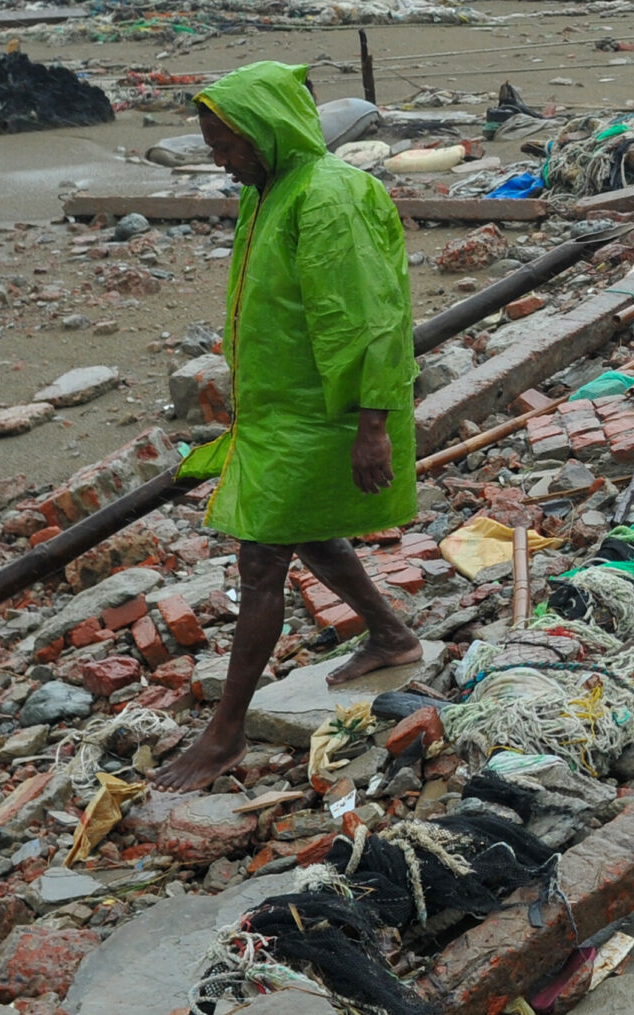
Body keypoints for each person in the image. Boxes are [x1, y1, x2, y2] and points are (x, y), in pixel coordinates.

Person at [155, 60, 422, 791]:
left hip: (324, 412)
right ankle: (392, 633)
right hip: (279, 411)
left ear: (265, 129)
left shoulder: (329, 196)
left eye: (224, 142)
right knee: (306, 532)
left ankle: (226, 734)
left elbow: (371, 316)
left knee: (262, 560)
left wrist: (374, 424)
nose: (217, 157)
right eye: (210, 143)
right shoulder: (269, 188)